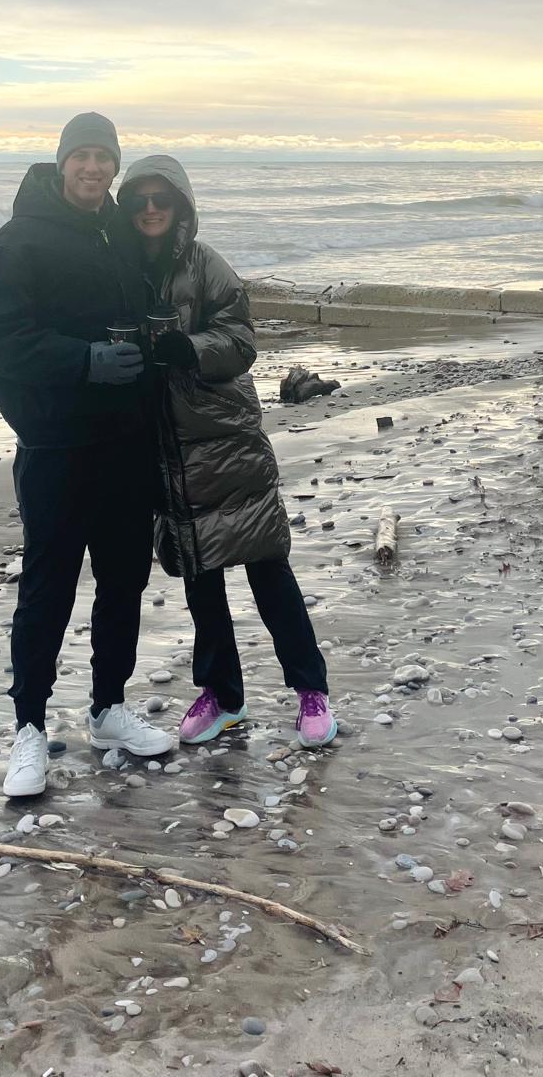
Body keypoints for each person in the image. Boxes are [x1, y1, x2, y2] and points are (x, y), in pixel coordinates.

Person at [0, 113, 176, 799]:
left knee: (123, 582)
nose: (93, 168)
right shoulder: (17, 242)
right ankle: (28, 730)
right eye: (82, 156)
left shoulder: (120, 234)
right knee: (47, 589)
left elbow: (169, 275)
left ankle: (109, 710)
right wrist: (82, 361)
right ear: (61, 163)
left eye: (104, 158)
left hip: (126, 443)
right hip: (56, 444)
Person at [118, 154, 336, 749]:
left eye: (161, 198)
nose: (151, 208)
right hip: (165, 449)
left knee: (268, 566)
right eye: (138, 199)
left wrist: (189, 350)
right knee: (199, 576)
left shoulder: (206, 264)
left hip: (224, 438)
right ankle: (222, 695)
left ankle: (310, 690)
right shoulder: (116, 266)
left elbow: (241, 338)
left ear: (181, 205)